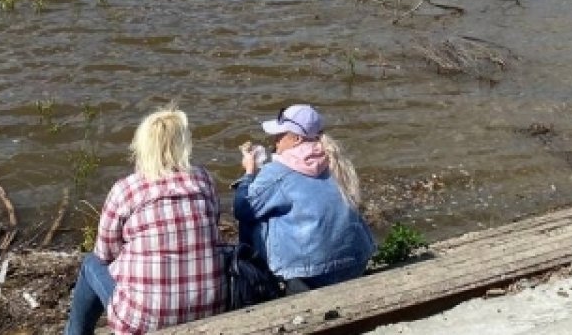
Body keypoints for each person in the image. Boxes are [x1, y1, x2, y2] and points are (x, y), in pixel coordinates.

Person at [65, 106, 225, 335]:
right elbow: (213, 227)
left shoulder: (126, 190)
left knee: (91, 265)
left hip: (143, 321)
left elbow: (105, 253)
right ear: (184, 144)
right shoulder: (203, 180)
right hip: (210, 307)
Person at [233, 103, 375, 293]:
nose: (275, 141)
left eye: (279, 135)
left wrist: (249, 174)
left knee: (251, 218)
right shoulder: (335, 161)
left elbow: (242, 209)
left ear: (297, 139)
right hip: (355, 263)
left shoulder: (276, 172)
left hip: (312, 275)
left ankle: (256, 278)